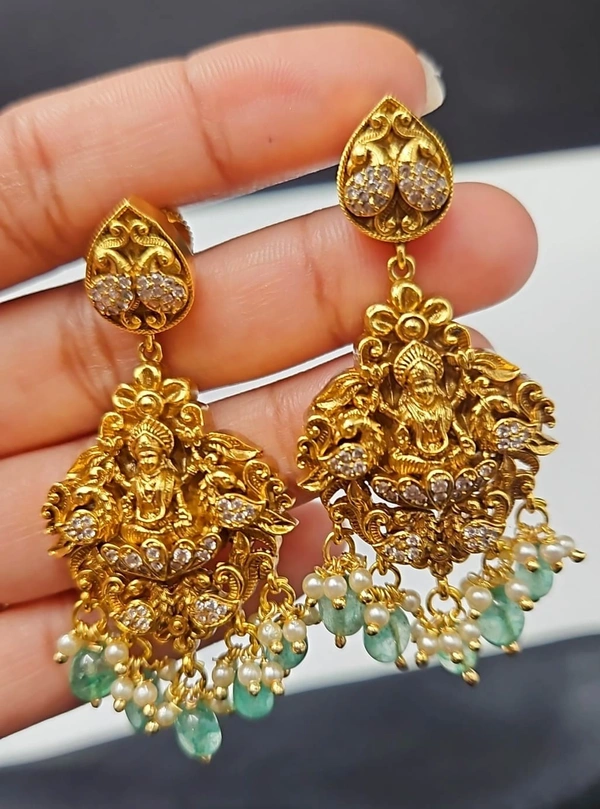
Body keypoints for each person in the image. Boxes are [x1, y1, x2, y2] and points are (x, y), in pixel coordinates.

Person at [0, 23, 537, 737]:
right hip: (173, 551)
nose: (154, 464)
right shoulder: (143, 473)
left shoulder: (431, 401)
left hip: (426, 488)